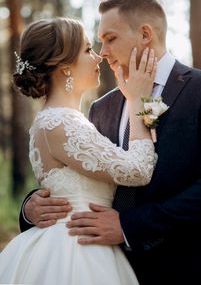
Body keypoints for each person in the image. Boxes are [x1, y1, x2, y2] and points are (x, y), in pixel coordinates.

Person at [20, 0, 201, 285]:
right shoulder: (102, 106)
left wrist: (129, 227)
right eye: (97, 42)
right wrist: (32, 206)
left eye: (110, 38)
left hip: (191, 268)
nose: (103, 51)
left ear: (145, 34)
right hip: (106, 266)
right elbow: (77, 170)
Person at [0, 17, 158, 285]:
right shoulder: (61, 122)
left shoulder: (65, 119)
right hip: (77, 249)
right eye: (87, 50)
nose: (98, 57)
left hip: (82, 240)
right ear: (64, 68)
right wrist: (139, 101)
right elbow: (139, 170)